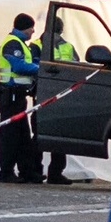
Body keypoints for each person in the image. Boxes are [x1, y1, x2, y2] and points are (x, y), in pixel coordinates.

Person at [0, 13, 43, 184]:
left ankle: (27, 171)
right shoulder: (13, 43)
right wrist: (40, 69)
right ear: (24, 27)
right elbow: (18, 66)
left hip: (18, 96)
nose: (33, 31)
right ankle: (6, 172)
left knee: (23, 136)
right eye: (31, 28)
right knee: (10, 136)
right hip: (10, 96)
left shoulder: (21, 44)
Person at [34, 19, 74, 185]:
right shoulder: (65, 46)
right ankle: (52, 173)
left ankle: (37, 171)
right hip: (53, 94)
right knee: (55, 134)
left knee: (40, 134)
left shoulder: (36, 45)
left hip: (48, 95)